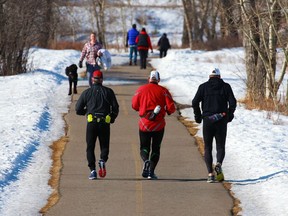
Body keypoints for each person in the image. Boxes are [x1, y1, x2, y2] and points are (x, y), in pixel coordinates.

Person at [192, 68, 237, 183]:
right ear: (219, 77)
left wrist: (198, 116)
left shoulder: (203, 87)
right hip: (221, 120)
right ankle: (219, 163)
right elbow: (233, 103)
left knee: (207, 147)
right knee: (220, 145)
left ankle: (210, 174)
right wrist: (229, 115)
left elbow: (194, 102)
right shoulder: (226, 87)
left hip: (208, 120)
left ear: (209, 76)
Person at [132, 70, 176, 179]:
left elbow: (134, 105)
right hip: (159, 124)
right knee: (156, 148)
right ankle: (151, 171)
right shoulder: (164, 91)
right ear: (159, 79)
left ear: (149, 79)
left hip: (144, 123)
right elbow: (171, 107)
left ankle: (145, 160)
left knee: (144, 147)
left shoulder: (140, 90)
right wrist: (168, 112)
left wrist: (141, 107)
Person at [75, 70, 119, 180]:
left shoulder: (87, 92)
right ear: (102, 80)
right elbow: (115, 108)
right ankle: (102, 160)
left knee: (90, 147)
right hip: (104, 122)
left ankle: (93, 171)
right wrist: (111, 118)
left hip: (92, 123)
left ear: (92, 79)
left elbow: (77, 109)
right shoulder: (109, 92)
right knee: (104, 146)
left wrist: (86, 111)